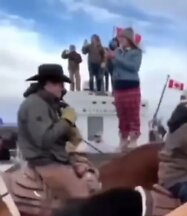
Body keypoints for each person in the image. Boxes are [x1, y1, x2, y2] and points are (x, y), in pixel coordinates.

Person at [17, 64, 100, 199]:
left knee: (92, 175)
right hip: (44, 162)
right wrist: (66, 121)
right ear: (48, 84)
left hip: (57, 159)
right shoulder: (34, 104)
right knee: (83, 195)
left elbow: (61, 137)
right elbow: (44, 139)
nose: (63, 88)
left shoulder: (50, 104)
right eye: (60, 84)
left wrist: (72, 131)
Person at [105, 27, 142, 151]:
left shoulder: (136, 52)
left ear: (129, 39)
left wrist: (115, 57)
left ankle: (133, 139)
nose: (120, 40)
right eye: (119, 37)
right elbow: (112, 69)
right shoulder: (117, 51)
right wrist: (108, 60)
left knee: (133, 113)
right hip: (118, 87)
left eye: (122, 37)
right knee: (122, 115)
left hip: (131, 86)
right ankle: (123, 139)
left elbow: (133, 67)